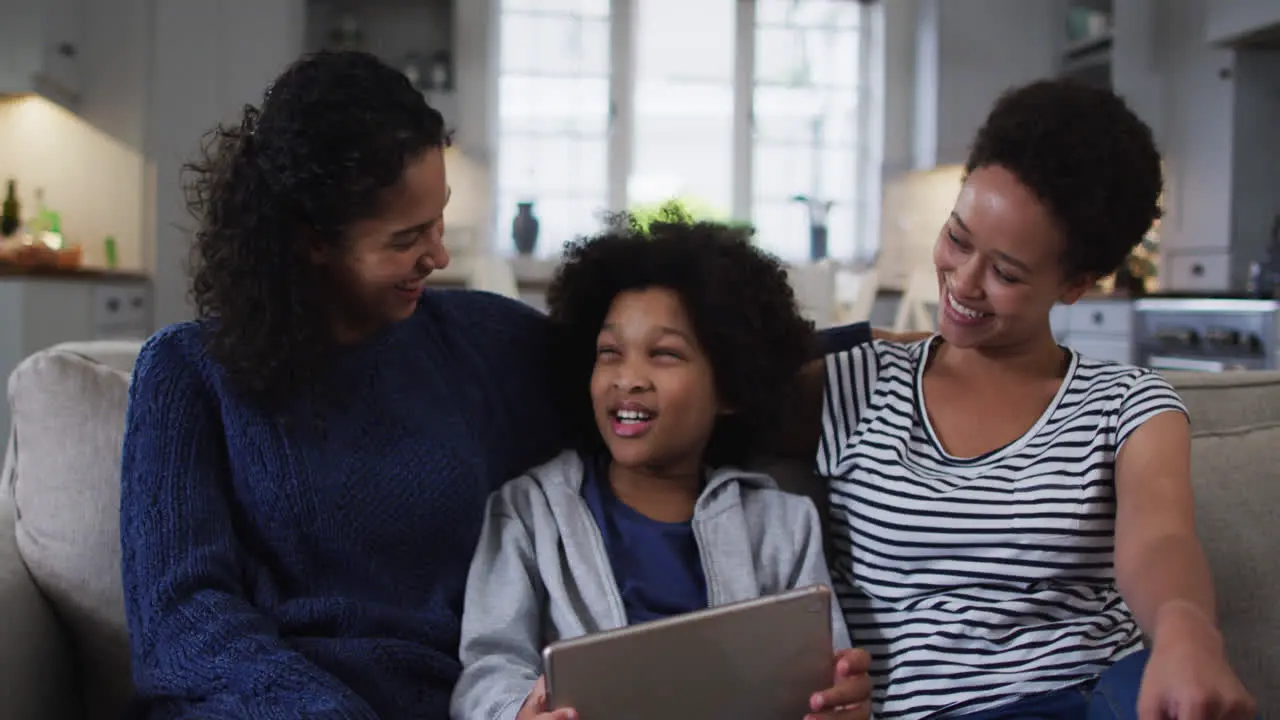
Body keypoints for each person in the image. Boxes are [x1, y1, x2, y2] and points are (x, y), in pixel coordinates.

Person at [118, 50, 883, 719]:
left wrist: (906, 349)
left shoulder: (477, 344)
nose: (439, 255)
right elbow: (182, 621)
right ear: (314, 242)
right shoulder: (184, 375)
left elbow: (679, 352)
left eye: (439, 222)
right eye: (406, 238)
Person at [798, 79, 1258, 720]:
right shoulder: (854, 381)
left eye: (1006, 273)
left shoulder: (1128, 403)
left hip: (1095, 695)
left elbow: (1160, 541)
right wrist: (877, 337)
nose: (962, 282)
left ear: (1073, 285)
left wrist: (1185, 633)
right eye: (957, 239)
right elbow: (719, 364)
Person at [450, 221, 869, 720]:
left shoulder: (783, 524)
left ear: (732, 386)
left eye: (664, 354)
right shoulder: (528, 512)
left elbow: (827, 674)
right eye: (609, 353)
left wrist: (842, 701)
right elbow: (488, 668)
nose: (628, 379)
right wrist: (518, 711)